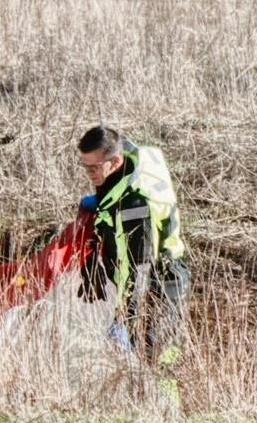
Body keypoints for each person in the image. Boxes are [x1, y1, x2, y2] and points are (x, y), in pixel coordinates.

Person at [77, 125, 189, 373]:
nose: (89, 173)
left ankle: (164, 408)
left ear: (115, 162)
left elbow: (137, 270)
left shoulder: (135, 210)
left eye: (94, 167)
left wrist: (123, 318)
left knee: (156, 359)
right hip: (146, 278)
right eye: (85, 166)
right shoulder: (123, 168)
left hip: (160, 287)